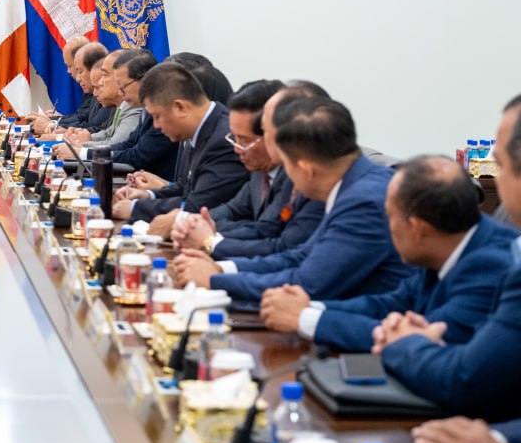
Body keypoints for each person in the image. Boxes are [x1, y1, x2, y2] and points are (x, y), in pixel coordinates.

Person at [259, 155, 516, 352]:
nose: (387, 227)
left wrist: (305, 319)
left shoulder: (490, 266)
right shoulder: (444, 246)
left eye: (390, 218)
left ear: (417, 229)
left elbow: (428, 340)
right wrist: (308, 307)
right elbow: (389, 304)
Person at [172, 96, 410, 307]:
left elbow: (308, 282)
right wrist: (220, 269)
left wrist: (214, 279)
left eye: (287, 167)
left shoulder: (363, 203)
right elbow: (298, 257)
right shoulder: (353, 182)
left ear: (306, 170)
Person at [375, 95, 521, 418]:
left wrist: (404, 342)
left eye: (499, 164)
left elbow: (466, 379)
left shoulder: (497, 261)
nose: (494, 178)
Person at [171, 81, 325, 257]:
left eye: (245, 140)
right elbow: (234, 210)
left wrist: (208, 241)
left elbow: (272, 235)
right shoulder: (260, 171)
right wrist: (196, 224)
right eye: (234, 138)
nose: (237, 149)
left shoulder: (301, 177)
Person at [111, 63, 246, 221]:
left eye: (157, 116)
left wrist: (135, 208)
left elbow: (198, 206)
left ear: (180, 107)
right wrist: (147, 195)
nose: (156, 125)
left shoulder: (224, 140)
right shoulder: (200, 128)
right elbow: (185, 188)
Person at [107, 49, 179, 180]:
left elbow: (137, 157)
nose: (120, 93)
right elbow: (129, 144)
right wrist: (86, 153)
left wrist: (88, 154)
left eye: (122, 87)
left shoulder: (165, 111)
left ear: (145, 79)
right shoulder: (145, 108)